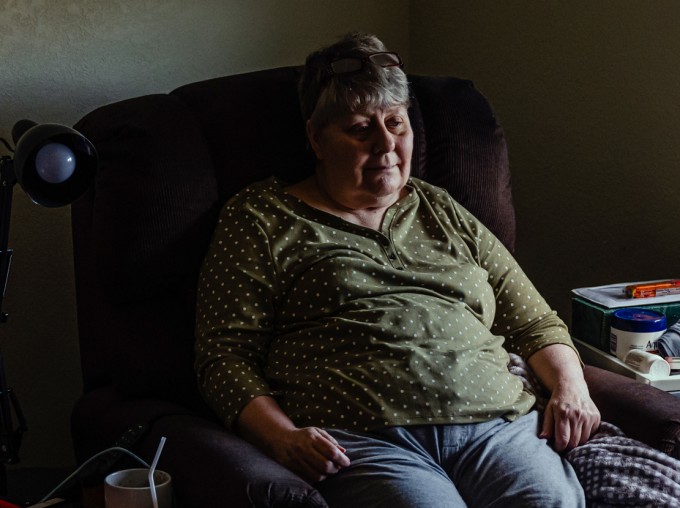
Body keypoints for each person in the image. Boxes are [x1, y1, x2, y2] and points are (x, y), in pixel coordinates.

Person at [195, 32, 600, 508]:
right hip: (365, 440)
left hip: (496, 426)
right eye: (360, 129)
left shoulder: (440, 208)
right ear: (316, 138)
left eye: (396, 123)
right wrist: (281, 437)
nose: (386, 144)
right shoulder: (260, 217)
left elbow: (533, 321)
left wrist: (572, 389)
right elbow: (224, 357)